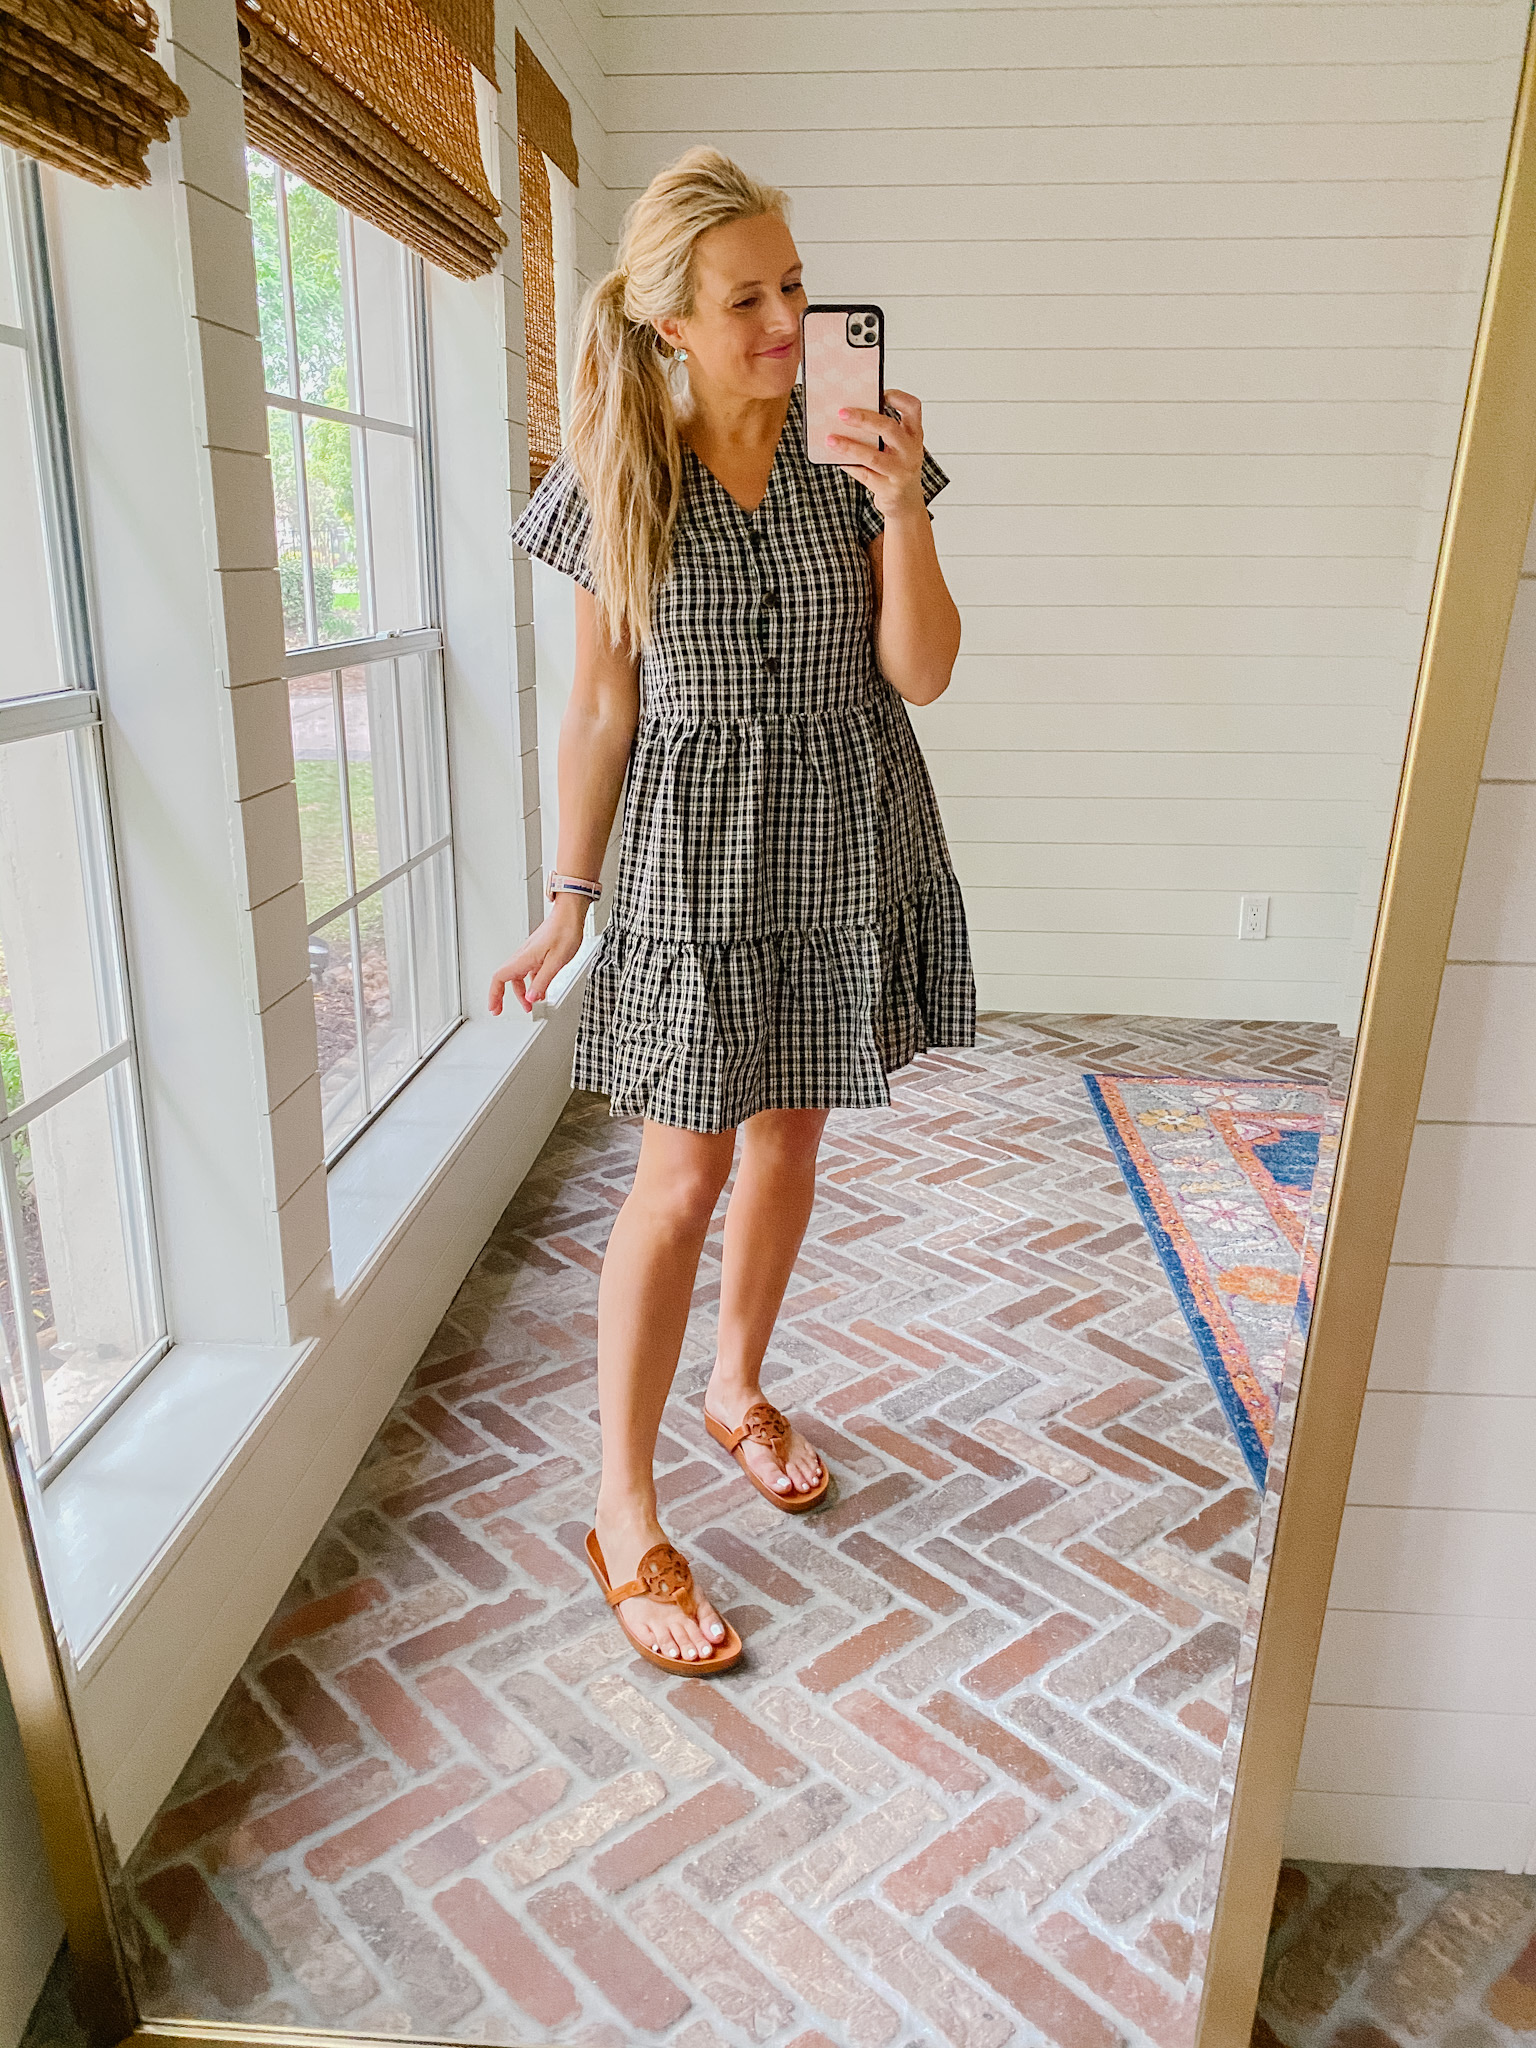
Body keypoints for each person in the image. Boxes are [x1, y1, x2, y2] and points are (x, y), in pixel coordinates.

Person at [490, 147, 974, 1675]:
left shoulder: (859, 450)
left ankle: (736, 1386)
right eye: (747, 298)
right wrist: (568, 900)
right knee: (678, 1179)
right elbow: (598, 708)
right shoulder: (613, 480)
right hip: (696, 853)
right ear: (670, 326)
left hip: (844, 825)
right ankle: (622, 1506)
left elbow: (923, 672)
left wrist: (904, 506)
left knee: (793, 1138)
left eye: (795, 286)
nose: (786, 318)